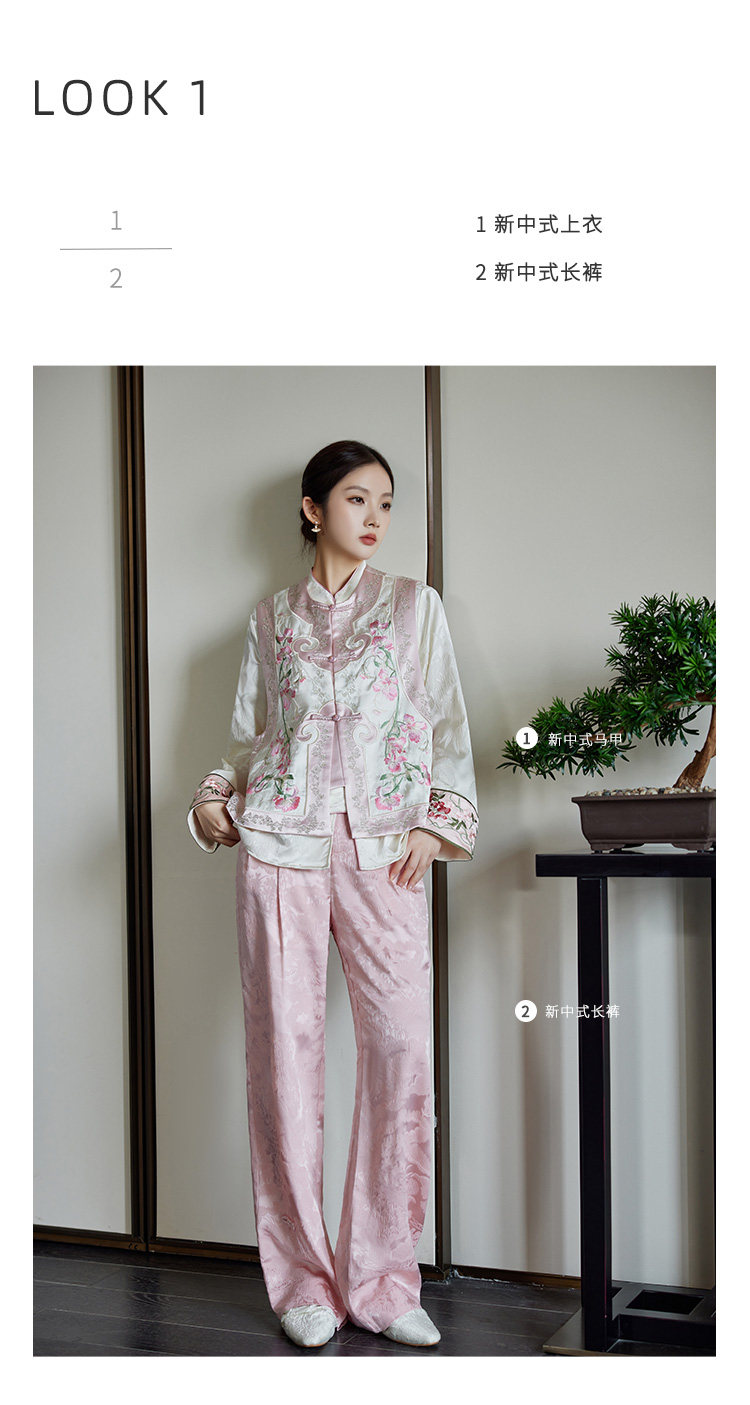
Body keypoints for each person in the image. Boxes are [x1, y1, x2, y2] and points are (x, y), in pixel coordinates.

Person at [187, 440, 478, 1349]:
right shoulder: (270, 619)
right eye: (357, 499)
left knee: (400, 1052)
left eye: (385, 501)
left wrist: (438, 821)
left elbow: (447, 721)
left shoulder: (414, 606)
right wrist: (214, 797)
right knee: (284, 1056)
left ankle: (385, 1280)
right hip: (280, 848)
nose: (376, 516)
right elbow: (251, 738)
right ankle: (302, 1281)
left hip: (388, 849)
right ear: (314, 510)